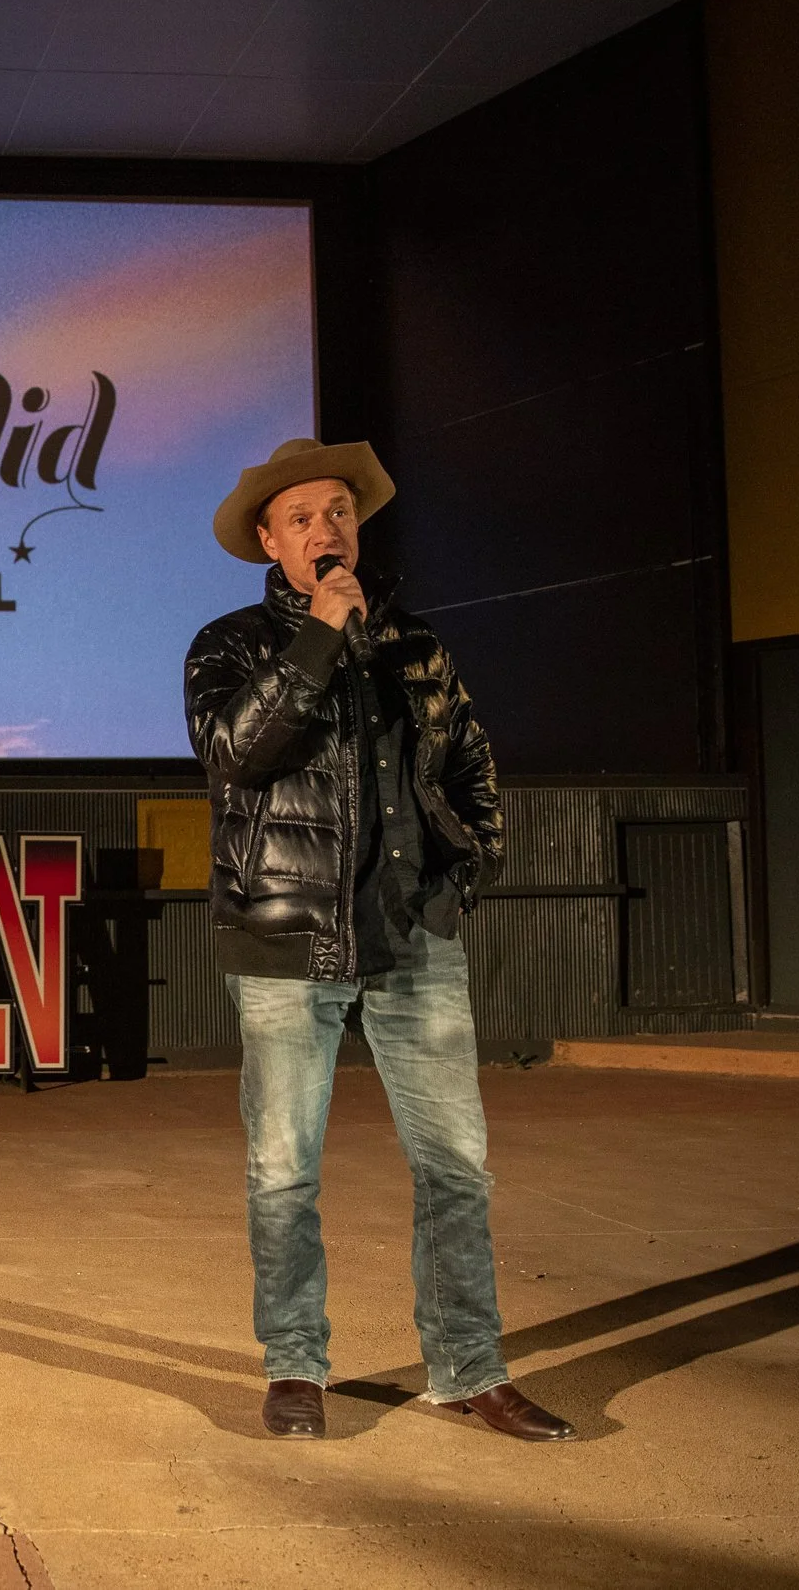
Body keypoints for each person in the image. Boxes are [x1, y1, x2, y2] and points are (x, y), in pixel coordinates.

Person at [184, 436, 574, 1443]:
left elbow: (472, 768)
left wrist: (460, 875)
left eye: (340, 513)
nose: (327, 530)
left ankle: (466, 1365)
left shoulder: (417, 643)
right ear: (269, 541)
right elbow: (239, 754)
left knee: (455, 1164)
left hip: (412, 934)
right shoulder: (226, 647)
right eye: (303, 516)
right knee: (283, 1167)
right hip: (285, 935)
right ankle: (295, 1366)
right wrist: (316, 638)